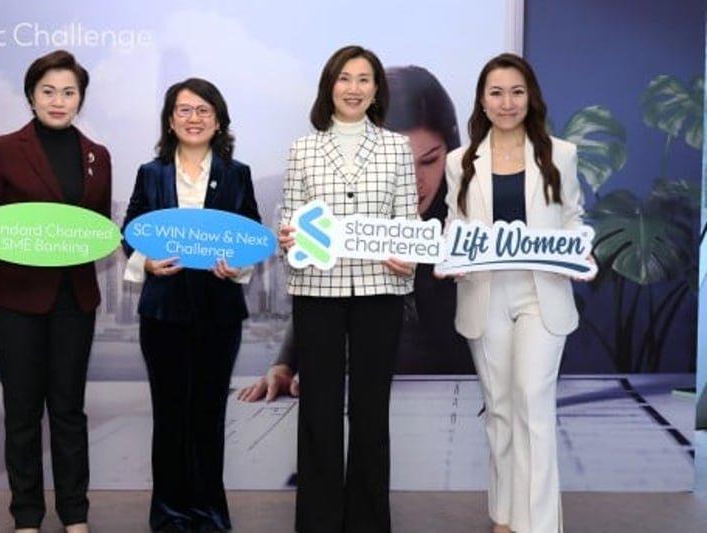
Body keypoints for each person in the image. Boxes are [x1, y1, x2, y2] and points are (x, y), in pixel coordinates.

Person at [0, 50, 110, 533]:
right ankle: (27, 517)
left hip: (75, 300)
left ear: (81, 98)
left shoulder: (99, 156)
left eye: (69, 92)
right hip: (15, 301)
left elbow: (96, 229)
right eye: (48, 91)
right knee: (21, 411)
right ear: (31, 95)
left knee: (69, 411)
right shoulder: (5, 148)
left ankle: (75, 516)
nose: (59, 101)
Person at [238, 65, 470, 399]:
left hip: (458, 390)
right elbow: (320, 286)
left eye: (429, 161)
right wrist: (285, 365)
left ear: (450, 151)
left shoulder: (470, 210)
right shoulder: (344, 204)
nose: (414, 181)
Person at [277, 45, 416, 533]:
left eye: (364, 79)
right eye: (344, 78)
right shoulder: (303, 148)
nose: (353, 88)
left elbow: (408, 220)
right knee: (318, 409)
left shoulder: (397, 147)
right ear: (328, 86)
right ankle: (318, 522)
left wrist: (409, 255)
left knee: (371, 411)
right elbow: (288, 217)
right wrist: (287, 235)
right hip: (318, 292)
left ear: (377, 89)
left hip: (381, 290)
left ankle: (368, 522)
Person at [444, 52, 584, 533]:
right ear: (482, 101)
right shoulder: (459, 162)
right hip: (484, 294)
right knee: (500, 408)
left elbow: (572, 218)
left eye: (517, 92)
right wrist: (453, 258)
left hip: (541, 293)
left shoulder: (559, 154)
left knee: (533, 402)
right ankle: (504, 516)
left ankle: (539, 525)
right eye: (496, 92)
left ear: (531, 98)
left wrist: (580, 251)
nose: (507, 102)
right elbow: (454, 225)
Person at [122, 77, 261, 533]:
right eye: (184, 110)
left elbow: (253, 233)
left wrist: (235, 265)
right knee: (169, 416)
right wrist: (147, 261)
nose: (194, 118)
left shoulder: (237, 173)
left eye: (203, 110)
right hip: (162, 314)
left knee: (207, 416)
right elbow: (130, 231)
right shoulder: (151, 173)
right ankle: (168, 514)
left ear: (218, 119)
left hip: (220, 315)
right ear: (170, 120)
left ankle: (208, 514)